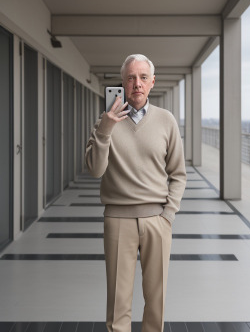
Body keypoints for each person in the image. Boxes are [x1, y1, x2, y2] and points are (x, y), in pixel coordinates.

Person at [85, 54, 186, 332]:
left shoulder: (166, 121)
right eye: (131, 77)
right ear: (123, 83)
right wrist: (106, 129)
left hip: (157, 221)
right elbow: (95, 170)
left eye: (143, 77)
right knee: (118, 304)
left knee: (157, 300)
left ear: (152, 82)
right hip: (118, 220)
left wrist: (168, 215)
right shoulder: (104, 121)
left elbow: (178, 174)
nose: (136, 84)